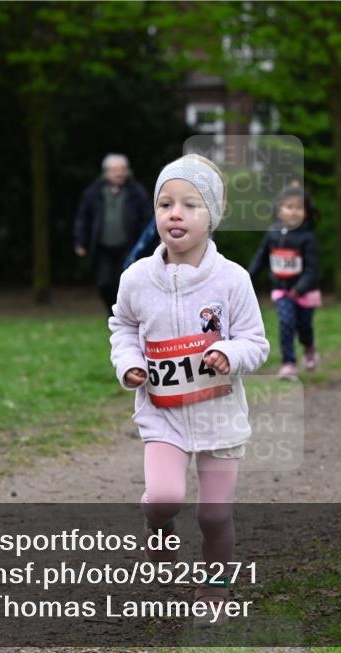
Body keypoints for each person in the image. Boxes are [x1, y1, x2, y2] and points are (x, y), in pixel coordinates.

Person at [109, 154, 269, 626]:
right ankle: (157, 529)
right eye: (165, 203)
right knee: (162, 497)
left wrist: (230, 355)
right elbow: (122, 325)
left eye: (190, 205)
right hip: (164, 412)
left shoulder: (233, 279)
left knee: (214, 517)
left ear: (212, 217)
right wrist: (130, 363)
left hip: (219, 414)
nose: (174, 213)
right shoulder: (137, 278)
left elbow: (255, 343)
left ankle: (214, 586)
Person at [247, 184, 321, 380]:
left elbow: (312, 269)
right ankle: (289, 364)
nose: (293, 211)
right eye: (288, 206)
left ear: (306, 212)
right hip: (281, 290)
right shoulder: (272, 233)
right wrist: (246, 278)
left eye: (298, 207)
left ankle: (309, 346)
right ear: (279, 210)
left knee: (304, 327)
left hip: (304, 293)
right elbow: (260, 258)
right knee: (286, 323)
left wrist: (300, 288)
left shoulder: (308, 238)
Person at [73, 154, 151, 313]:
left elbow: (147, 218)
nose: (119, 173)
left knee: (126, 282)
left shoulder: (137, 192)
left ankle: (126, 314)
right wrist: (80, 240)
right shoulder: (93, 192)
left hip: (129, 247)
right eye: (115, 170)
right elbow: (83, 217)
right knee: (104, 283)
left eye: (122, 169)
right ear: (106, 172)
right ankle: (113, 311)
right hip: (103, 247)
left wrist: (145, 243)